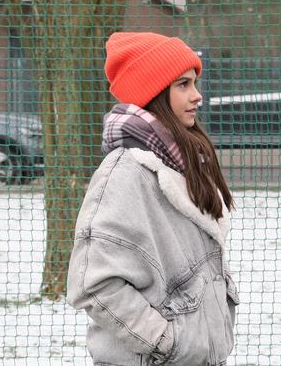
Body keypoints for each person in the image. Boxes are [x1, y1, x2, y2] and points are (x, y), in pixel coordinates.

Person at [66, 32, 238, 365]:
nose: (197, 96)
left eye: (195, 83)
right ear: (154, 91)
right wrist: (169, 342)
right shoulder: (126, 171)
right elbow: (94, 285)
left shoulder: (179, 162)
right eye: (183, 85)